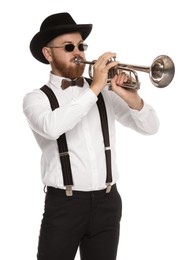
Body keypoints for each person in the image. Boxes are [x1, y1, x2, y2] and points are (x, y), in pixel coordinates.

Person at [23, 12, 160, 260]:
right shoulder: (36, 99)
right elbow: (53, 127)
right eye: (68, 47)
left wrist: (131, 97)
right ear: (47, 53)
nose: (78, 52)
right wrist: (96, 87)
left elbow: (151, 127)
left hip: (108, 203)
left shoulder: (105, 92)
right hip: (64, 206)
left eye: (81, 46)